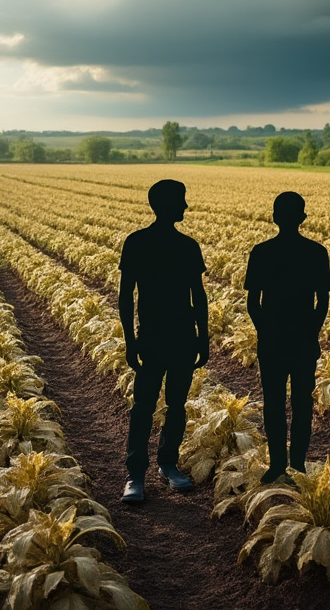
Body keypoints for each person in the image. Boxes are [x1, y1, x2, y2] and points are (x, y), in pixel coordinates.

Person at [118, 179, 210, 503]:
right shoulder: (137, 243)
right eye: (181, 201)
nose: (185, 206)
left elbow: (198, 295)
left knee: (176, 405)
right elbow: (125, 296)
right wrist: (130, 341)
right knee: (144, 406)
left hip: (182, 337)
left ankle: (168, 464)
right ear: (165, 205)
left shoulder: (188, 246)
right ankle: (136, 474)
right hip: (152, 338)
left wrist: (203, 337)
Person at [244, 191, 330, 483]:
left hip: (272, 340)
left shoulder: (261, 252)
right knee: (302, 403)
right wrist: (312, 330)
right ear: (303, 218)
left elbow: (253, 303)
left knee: (273, 402)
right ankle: (297, 463)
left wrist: (264, 330)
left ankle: (279, 464)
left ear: (274, 217)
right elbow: (322, 302)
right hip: (303, 339)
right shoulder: (316, 252)